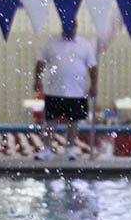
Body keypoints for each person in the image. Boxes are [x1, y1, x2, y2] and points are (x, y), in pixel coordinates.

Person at [33, 18, 97, 161]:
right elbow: (41, 62)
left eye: (72, 27)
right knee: (50, 121)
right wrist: (37, 79)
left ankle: (69, 149)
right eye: (66, 27)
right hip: (54, 91)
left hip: (77, 92)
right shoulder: (51, 43)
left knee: (74, 122)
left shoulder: (85, 45)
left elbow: (92, 66)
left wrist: (94, 85)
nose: (69, 30)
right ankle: (47, 149)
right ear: (62, 26)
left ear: (76, 27)